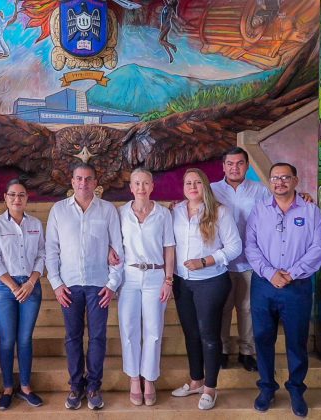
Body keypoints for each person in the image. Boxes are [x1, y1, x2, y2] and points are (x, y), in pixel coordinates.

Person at [245, 162, 321, 417]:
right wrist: (271, 273)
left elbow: (318, 248)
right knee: (262, 338)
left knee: (297, 340)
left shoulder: (311, 211)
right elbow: (250, 246)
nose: (279, 182)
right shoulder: (259, 209)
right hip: (264, 285)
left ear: (295, 180)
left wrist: (291, 273)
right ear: (269, 182)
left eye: (285, 177)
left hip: (297, 286)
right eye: (275, 178)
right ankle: (267, 388)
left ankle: (296, 390)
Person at [45, 162, 123, 411]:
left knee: (98, 337)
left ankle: (94, 386)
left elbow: (118, 250)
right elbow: (51, 251)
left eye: (88, 179)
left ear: (95, 182)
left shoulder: (108, 210)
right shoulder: (59, 210)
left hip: (99, 285)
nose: (83, 183)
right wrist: (56, 284)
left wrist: (112, 284)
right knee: (73, 337)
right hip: (69, 286)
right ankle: (76, 386)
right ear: (72, 181)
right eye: (79, 178)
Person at [170, 168, 241, 410]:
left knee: (209, 335)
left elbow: (235, 247)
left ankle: (210, 387)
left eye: (197, 182)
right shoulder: (176, 211)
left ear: (205, 186)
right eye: (188, 183)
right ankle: (196, 381)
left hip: (211, 281)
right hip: (182, 281)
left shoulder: (220, 211)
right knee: (191, 334)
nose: (192, 187)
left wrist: (205, 261)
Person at [0, 179, 45, 410]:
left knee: (25, 338)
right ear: (5, 198)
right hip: (3, 289)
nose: (17, 199)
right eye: (12, 195)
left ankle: (26, 387)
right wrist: (13, 286)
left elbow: (42, 254)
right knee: (8, 339)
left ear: (27, 198)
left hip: (31, 286)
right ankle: (8, 387)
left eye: (21, 195)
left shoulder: (36, 224)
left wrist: (30, 282)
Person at [116, 168, 175, 406]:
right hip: (128, 276)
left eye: (146, 183)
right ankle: (133, 377)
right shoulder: (120, 213)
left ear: (152, 186)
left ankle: (149, 379)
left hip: (155, 275)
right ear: (131, 188)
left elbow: (169, 247)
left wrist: (168, 280)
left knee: (153, 329)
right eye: (137, 183)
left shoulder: (163, 214)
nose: (141, 188)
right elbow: (113, 242)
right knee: (128, 328)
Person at [211, 147, 270, 372]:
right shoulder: (212, 190)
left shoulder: (260, 191)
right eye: (230, 163)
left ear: (247, 165)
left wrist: (303, 196)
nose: (234, 168)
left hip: (249, 261)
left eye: (239, 163)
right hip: (221, 262)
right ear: (223, 166)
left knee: (246, 309)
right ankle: (224, 350)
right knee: (223, 308)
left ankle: (247, 351)